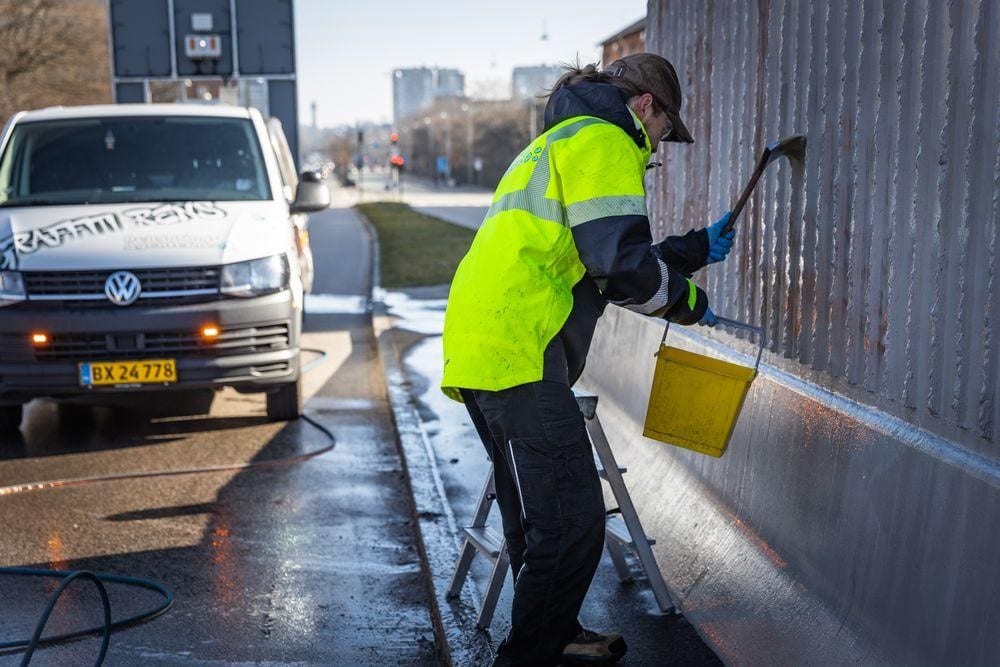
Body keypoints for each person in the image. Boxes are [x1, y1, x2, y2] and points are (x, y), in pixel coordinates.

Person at [441, 53, 735, 666]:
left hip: (489, 342)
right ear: (647, 105)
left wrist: (690, 251)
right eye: (662, 133)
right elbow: (620, 266)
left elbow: (591, 259)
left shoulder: (562, 137)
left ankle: (554, 631)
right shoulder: (607, 140)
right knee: (573, 522)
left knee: (536, 514)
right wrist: (688, 303)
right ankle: (530, 655)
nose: (656, 149)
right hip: (520, 348)